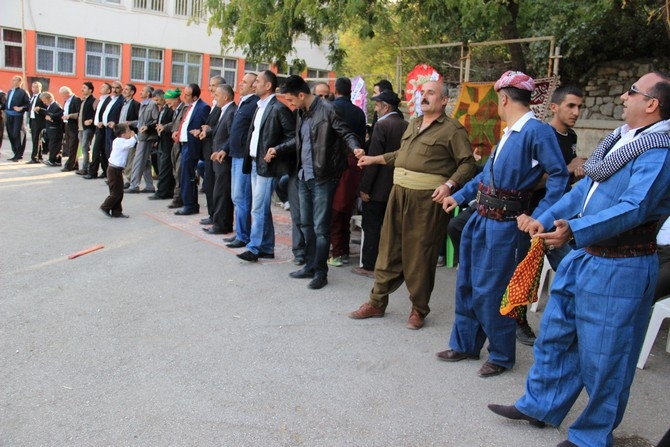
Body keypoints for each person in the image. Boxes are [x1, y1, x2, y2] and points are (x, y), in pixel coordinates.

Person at [488, 71, 670, 447]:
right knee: (555, 336)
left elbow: (634, 207)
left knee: (607, 359)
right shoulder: (623, 139)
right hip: (586, 255)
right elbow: (584, 188)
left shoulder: (661, 150)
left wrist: (573, 230)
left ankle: (591, 436)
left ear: (651, 104)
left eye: (632, 91)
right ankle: (540, 406)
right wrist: (546, 216)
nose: (622, 96)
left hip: (622, 263)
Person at [437, 70, 568, 376]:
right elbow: (486, 178)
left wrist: (541, 216)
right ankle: (465, 344)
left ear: (504, 98)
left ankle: (500, 354)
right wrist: (459, 196)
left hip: (506, 226)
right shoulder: (510, 133)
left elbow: (559, 175)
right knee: (467, 283)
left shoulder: (537, 132)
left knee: (492, 291)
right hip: (481, 219)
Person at [348, 80, 477, 328]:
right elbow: (402, 155)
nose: (424, 96)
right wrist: (374, 159)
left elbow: (468, 164)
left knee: (420, 253)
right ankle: (377, 302)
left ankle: (419, 309)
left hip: (426, 199)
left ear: (443, 101)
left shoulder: (452, 130)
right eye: (422, 92)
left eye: (431, 93)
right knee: (388, 248)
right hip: (399, 194)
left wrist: (449, 185)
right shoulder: (415, 122)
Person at [267, 75, 364, 289]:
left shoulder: (328, 110)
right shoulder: (301, 112)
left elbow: (345, 133)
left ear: (301, 95)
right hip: (303, 176)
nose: (290, 105)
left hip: (323, 178)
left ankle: (321, 272)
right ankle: (310, 265)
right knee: (306, 224)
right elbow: (299, 140)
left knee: (321, 228)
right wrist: (279, 148)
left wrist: (356, 148)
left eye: (291, 100)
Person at [235, 70, 295, 262]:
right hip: (255, 163)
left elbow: (293, 137)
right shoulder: (259, 107)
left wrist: (276, 150)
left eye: (257, 82)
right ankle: (267, 247)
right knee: (261, 208)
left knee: (257, 208)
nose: (254, 85)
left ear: (268, 85)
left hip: (268, 167)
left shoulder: (278, 108)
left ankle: (254, 248)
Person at [353, 89, 408, 278]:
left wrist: (365, 187)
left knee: (372, 227)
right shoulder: (405, 125)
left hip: (377, 188)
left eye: (377, 105)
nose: (376, 109)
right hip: (397, 185)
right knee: (392, 229)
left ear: (386, 107)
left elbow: (374, 159)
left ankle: (369, 265)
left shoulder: (382, 126)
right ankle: (390, 264)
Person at [327, 77, 367, 267]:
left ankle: (336, 251)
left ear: (335, 90)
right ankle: (342, 249)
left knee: (334, 208)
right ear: (350, 91)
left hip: (334, 162)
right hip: (354, 162)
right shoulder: (359, 113)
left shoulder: (330, 108)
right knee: (346, 207)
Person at [222, 73, 259, 249]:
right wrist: (225, 149)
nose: (240, 83)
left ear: (254, 86)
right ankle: (240, 232)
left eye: (245, 82)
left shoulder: (253, 104)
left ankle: (243, 236)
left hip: (244, 158)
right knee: (236, 197)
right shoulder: (243, 102)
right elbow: (235, 132)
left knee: (242, 197)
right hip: (234, 155)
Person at [173, 83, 211, 216]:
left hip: (192, 145)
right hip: (183, 144)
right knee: (183, 174)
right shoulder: (189, 107)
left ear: (195, 97)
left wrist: (200, 131)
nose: (184, 96)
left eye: (188, 95)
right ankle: (188, 203)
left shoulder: (203, 107)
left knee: (187, 175)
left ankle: (190, 205)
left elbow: (206, 126)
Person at [206, 84, 237, 234]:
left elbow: (233, 136)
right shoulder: (224, 111)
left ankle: (222, 225)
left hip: (224, 161)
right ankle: (219, 222)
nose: (214, 97)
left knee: (222, 193)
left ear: (225, 97)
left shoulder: (231, 111)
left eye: (217, 95)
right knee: (218, 192)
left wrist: (223, 150)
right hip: (218, 159)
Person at [100, 123, 137, 219]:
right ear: (123, 134)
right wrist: (133, 136)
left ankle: (117, 211)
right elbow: (131, 143)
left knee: (119, 191)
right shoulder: (119, 142)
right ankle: (105, 206)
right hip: (113, 169)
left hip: (117, 169)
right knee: (115, 192)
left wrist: (133, 136)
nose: (131, 132)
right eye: (128, 131)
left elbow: (133, 141)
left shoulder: (123, 140)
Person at [126, 85, 158, 193]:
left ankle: (134, 185)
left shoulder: (152, 104)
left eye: (143, 91)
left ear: (148, 94)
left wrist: (147, 128)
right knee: (146, 161)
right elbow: (141, 122)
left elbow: (155, 120)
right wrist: (131, 123)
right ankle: (149, 186)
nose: (140, 92)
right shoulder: (142, 105)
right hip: (141, 136)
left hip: (147, 137)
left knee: (138, 160)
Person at [149, 89, 175, 200]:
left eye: (158, 100)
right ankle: (167, 190)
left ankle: (162, 191)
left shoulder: (170, 109)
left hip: (168, 142)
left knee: (165, 168)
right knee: (161, 166)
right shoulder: (162, 109)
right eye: (155, 100)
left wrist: (163, 127)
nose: (157, 102)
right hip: (161, 141)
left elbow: (172, 124)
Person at [84, 82, 112, 179]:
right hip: (97, 127)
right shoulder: (100, 100)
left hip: (103, 128)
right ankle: (105, 171)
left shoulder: (109, 101)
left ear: (109, 90)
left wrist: (102, 122)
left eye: (104, 87)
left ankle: (93, 172)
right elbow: (97, 113)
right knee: (102, 150)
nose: (101, 87)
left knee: (96, 150)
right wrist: (92, 120)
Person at [5, 75, 30, 161]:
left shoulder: (23, 92)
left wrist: (21, 108)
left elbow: (28, 104)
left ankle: (19, 155)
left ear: (20, 82)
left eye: (14, 80)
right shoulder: (9, 91)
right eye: (12, 80)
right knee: (11, 134)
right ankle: (15, 153)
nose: (12, 81)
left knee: (17, 134)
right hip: (9, 115)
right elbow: (7, 104)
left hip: (18, 116)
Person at [59, 86, 82, 172]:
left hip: (74, 125)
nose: (62, 97)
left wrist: (70, 116)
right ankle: (75, 164)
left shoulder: (76, 100)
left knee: (73, 146)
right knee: (68, 145)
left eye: (62, 95)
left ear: (67, 93)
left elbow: (79, 113)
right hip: (67, 124)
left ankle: (69, 165)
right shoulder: (66, 101)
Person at [76, 82, 96, 175]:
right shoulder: (83, 100)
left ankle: (86, 168)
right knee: (83, 147)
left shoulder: (94, 100)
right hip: (80, 128)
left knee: (85, 147)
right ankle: (84, 167)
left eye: (84, 88)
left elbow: (96, 113)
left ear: (90, 90)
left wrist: (91, 120)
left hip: (88, 128)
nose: (82, 89)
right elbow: (80, 114)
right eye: (82, 87)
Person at [40, 92, 65, 167]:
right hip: (50, 128)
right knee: (52, 144)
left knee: (54, 145)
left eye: (45, 101)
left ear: (50, 98)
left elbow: (60, 114)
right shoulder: (50, 106)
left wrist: (51, 118)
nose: (44, 103)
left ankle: (52, 160)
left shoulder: (56, 106)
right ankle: (55, 160)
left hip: (55, 129)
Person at [26, 81, 46, 164]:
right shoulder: (32, 97)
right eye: (33, 87)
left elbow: (47, 109)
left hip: (39, 121)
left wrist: (39, 109)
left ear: (40, 88)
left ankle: (34, 157)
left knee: (36, 139)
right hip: (32, 120)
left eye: (36, 87)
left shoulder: (42, 97)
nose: (34, 89)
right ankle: (39, 156)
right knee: (37, 139)